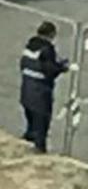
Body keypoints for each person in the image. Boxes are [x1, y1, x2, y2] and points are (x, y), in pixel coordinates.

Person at [19, 21, 69, 153]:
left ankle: (24, 148)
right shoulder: (47, 49)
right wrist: (62, 68)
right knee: (41, 128)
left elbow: (26, 65)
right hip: (40, 94)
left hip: (26, 92)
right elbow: (49, 70)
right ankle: (39, 153)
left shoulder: (29, 46)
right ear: (51, 34)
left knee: (31, 126)